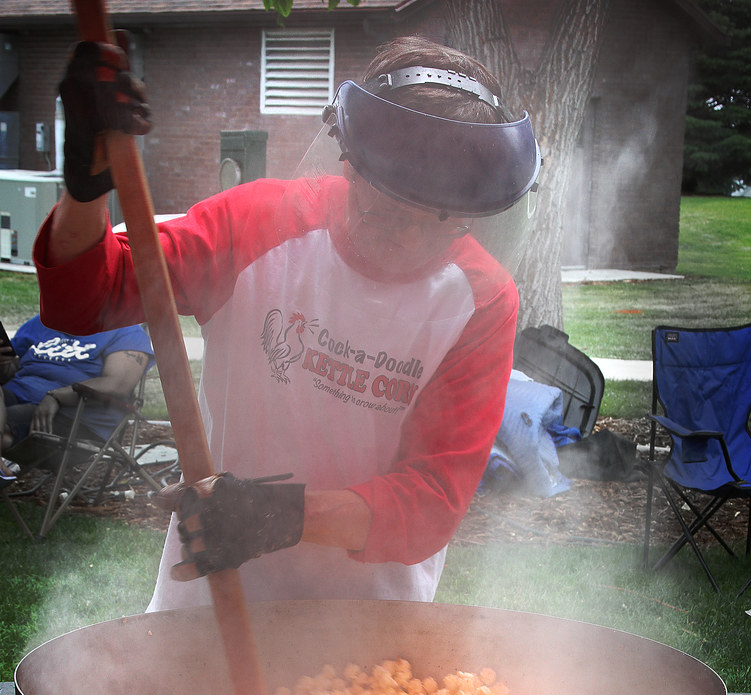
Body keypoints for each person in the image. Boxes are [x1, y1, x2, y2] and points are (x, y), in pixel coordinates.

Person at [33, 35, 540, 610]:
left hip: (371, 618)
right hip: (217, 596)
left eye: (443, 223)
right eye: (392, 211)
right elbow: (87, 295)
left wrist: (281, 515)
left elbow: (430, 502)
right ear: (351, 161)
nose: (411, 240)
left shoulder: (481, 300)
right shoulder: (260, 224)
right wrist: (84, 188)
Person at [0, 314, 153, 480]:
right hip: (14, 396)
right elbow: (10, 367)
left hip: (71, 415)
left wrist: (56, 396)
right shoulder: (41, 323)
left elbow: (118, 385)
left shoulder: (124, 330)